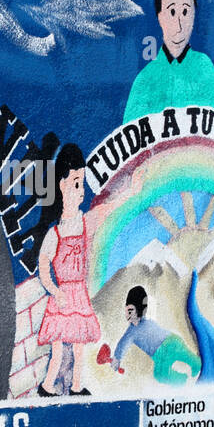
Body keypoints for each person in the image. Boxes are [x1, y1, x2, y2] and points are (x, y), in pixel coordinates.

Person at [35, 143, 145, 397]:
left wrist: (130, 191)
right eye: (75, 183)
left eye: (81, 182)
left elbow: (108, 209)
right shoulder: (54, 234)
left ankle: (75, 387)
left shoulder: (86, 224)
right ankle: (47, 387)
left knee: (79, 348)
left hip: (79, 295)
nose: (80, 190)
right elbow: (43, 269)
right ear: (62, 185)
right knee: (59, 349)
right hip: (63, 298)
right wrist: (54, 291)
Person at [123, 0, 214, 121]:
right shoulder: (147, 77)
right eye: (172, 12)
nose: (179, 23)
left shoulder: (203, 67)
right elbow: (129, 132)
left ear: (194, 14)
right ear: (160, 17)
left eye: (185, 12)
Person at [111, 286, 201, 384]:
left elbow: (122, 346)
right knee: (185, 356)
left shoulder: (132, 332)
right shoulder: (143, 322)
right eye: (127, 310)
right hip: (173, 340)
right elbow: (122, 345)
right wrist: (117, 359)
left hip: (162, 352)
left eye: (130, 310)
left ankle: (183, 381)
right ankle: (193, 366)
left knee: (160, 374)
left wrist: (116, 360)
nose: (128, 314)